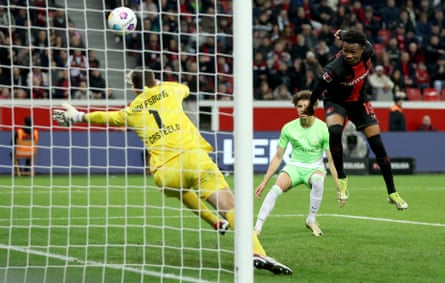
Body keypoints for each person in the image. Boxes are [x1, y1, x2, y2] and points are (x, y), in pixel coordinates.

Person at [52, 67, 292, 275]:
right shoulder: (171, 90)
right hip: (194, 160)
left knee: (176, 190)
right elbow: (184, 88)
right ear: (155, 82)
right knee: (232, 208)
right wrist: (157, 84)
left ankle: (213, 222)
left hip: (165, 173)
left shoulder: (131, 110)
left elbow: (106, 117)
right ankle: (256, 252)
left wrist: (78, 116)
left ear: (134, 90)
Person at [306, 29, 408, 210]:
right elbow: (318, 87)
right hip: (336, 102)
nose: (348, 55)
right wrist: (310, 107)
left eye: (353, 52)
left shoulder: (368, 49)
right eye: (345, 50)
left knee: (377, 145)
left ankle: (392, 193)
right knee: (335, 131)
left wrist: (343, 33)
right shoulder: (334, 68)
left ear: (362, 50)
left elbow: (357, 37)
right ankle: (342, 180)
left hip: (359, 102)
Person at [254, 90, 338, 238]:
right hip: (294, 167)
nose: (303, 109)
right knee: (275, 189)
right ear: (295, 108)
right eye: (299, 106)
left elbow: (332, 160)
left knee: (318, 181)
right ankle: (257, 228)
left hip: (314, 168)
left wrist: (340, 188)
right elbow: (278, 157)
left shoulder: (324, 129)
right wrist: (264, 182)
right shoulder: (288, 128)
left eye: (307, 106)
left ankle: (311, 219)